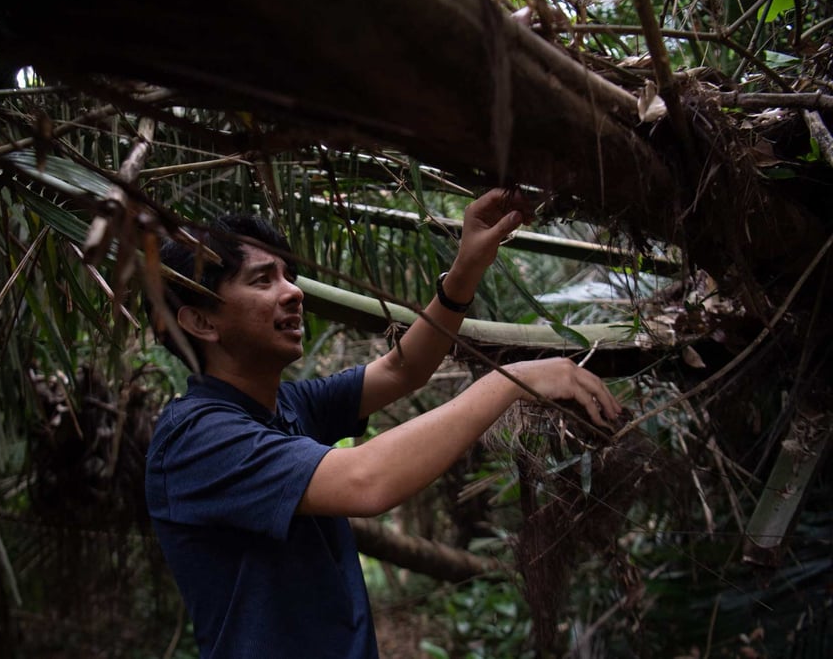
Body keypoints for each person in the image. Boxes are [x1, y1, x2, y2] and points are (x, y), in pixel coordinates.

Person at [144, 189, 622, 658]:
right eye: (263, 280)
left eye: (289, 275)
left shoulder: (285, 407)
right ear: (202, 322)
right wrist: (512, 380)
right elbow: (365, 481)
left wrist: (468, 265)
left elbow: (402, 369)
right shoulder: (196, 438)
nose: (293, 291)